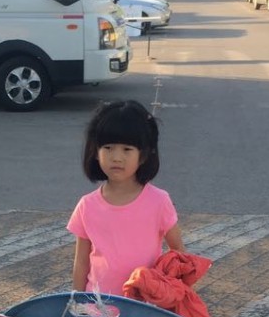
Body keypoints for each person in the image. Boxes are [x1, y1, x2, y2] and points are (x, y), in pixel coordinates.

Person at [68, 100, 186, 295]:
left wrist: (170, 293)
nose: (116, 157)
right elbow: (81, 261)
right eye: (108, 148)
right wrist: (76, 300)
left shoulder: (159, 201)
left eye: (127, 149)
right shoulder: (87, 205)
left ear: (143, 155)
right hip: (98, 307)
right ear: (95, 152)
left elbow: (178, 252)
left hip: (145, 307)